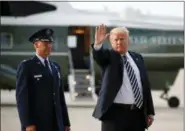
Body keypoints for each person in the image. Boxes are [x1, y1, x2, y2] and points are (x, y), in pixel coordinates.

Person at [92, 24, 155, 131]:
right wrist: (98, 44)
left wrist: (149, 112)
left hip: (137, 115)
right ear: (111, 42)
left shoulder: (138, 58)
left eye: (122, 39)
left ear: (128, 40)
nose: (119, 42)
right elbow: (99, 56)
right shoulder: (109, 57)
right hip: (114, 116)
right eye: (115, 39)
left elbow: (145, 86)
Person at [16, 28, 71, 131]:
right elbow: (22, 99)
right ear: (36, 45)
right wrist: (28, 124)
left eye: (50, 43)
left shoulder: (55, 67)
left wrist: (65, 122)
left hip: (56, 124)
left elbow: (60, 98)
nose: (49, 46)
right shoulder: (27, 66)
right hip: (37, 123)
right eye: (45, 43)